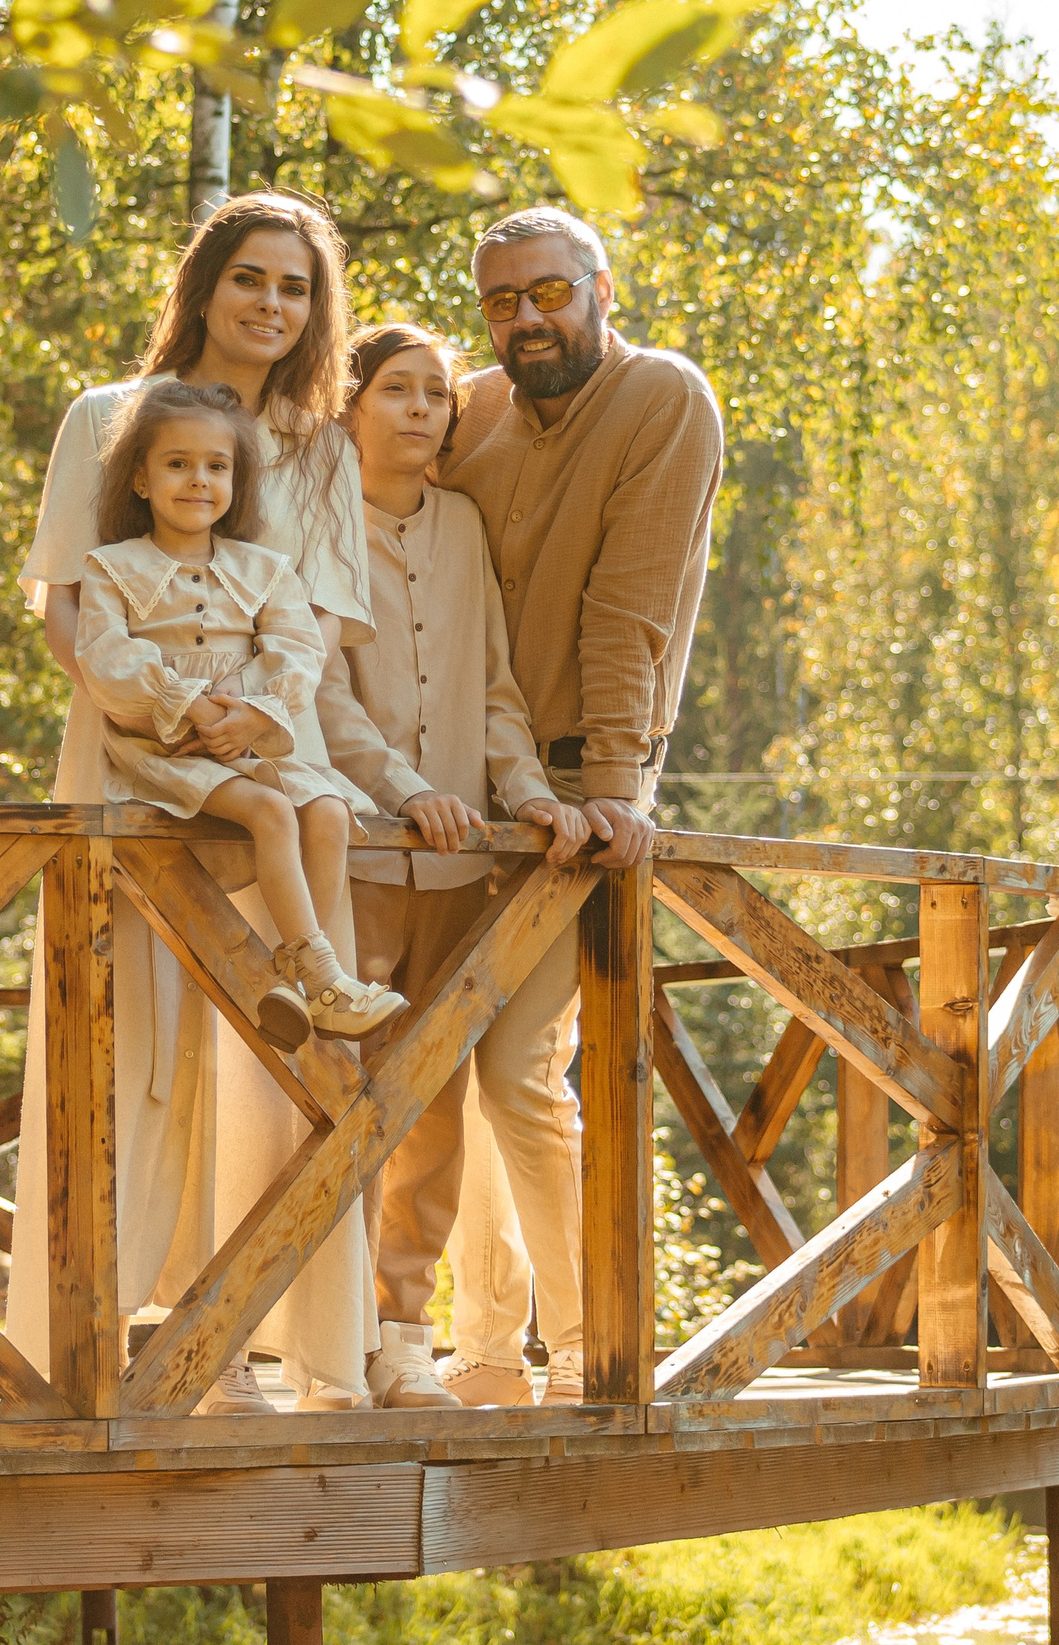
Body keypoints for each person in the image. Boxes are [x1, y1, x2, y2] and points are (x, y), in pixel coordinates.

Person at [12, 190, 416, 1415]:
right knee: (133, 1035)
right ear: (205, 284)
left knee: (274, 1036)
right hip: (133, 757)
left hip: (275, 758)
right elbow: (64, 602)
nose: (271, 305)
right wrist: (165, 708)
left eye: (296, 287)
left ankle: (245, 1342)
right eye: (251, 278)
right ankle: (111, 1340)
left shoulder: (321, 448)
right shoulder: (105, 420)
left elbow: (329, 623)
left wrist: (256, 712)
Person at [366, 207, 723, 1405]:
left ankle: (589, 1346)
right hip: (458, 787)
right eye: (502, 301)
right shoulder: (465, 410)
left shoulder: (660, 399)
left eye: (547, 294)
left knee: (520, 1063)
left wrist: (618, 785)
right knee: (450, 1056)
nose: (526, 319)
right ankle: (481, 1352)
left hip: (582, 785)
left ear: (600, 287)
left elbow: (634, 606)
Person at [321, 323, 593, 1407]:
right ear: (350, 406)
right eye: (397, 390)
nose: (424, 410)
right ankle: (315, 1335)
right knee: (336, 1098)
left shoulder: (463, 524)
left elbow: (490, 687)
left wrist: (524, 791)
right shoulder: (312, 519)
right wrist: (400, 789)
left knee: (430, 1109)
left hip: (454, 870)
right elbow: (319, 690)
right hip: (350, 852)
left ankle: (399, 1333)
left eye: (438, 393)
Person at [58, 379, 406, 1043]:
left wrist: (256, 715)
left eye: (216, 466)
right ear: (140, 478)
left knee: (330, 809)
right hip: (160, 748)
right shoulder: (111, 569)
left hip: (252, 738)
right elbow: (105, 658)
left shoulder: (266, 570)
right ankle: (325, 979)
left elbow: (299, 652)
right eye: (178, 463)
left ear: (236, 481)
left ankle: (307, 974)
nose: (198, 480)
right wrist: (187, 708)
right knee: (272, 811)